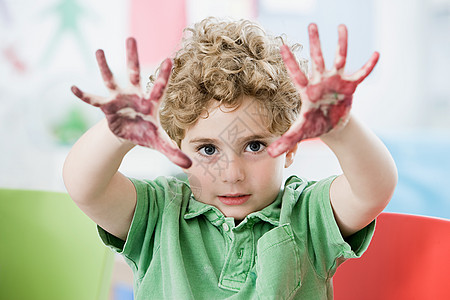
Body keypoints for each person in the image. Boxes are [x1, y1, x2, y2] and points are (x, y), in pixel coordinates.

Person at [63, 18, 397, 299]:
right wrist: (117, 133)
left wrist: (341, 129)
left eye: (254, 146)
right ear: (178, 149)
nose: (232, 174)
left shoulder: (309, 215)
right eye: (208, 150)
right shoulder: (158, 213)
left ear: (291, 147)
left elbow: (373, 191)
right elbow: (85, 188)